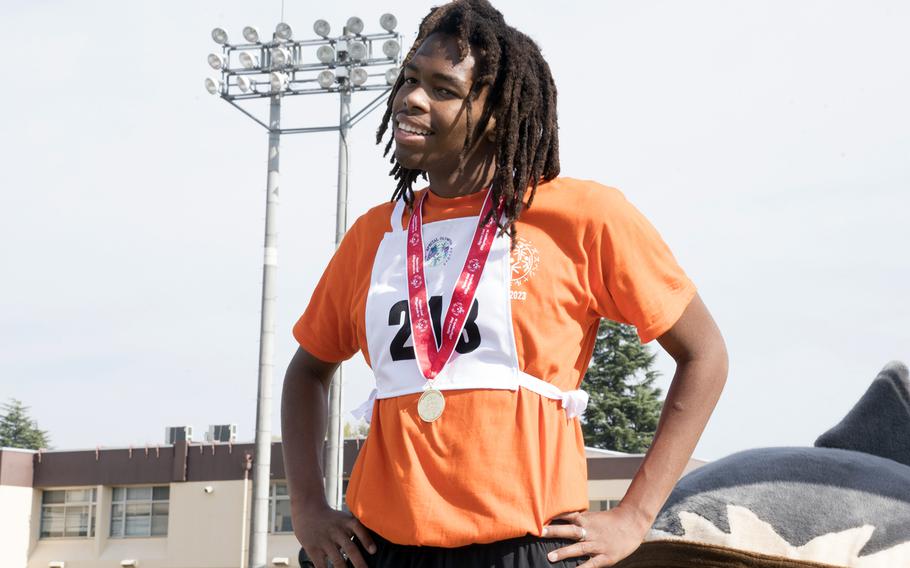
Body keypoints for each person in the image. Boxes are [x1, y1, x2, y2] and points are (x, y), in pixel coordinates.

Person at [281, 1, 728, 567]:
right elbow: (307, 370)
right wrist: (308, 509)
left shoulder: (585, 216)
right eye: (411, 80)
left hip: (527, 548)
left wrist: (635, 516)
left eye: (443, 89)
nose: (412, 99)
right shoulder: (376, 233)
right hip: (382, 549)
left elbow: (705, 354)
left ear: (495, 113)